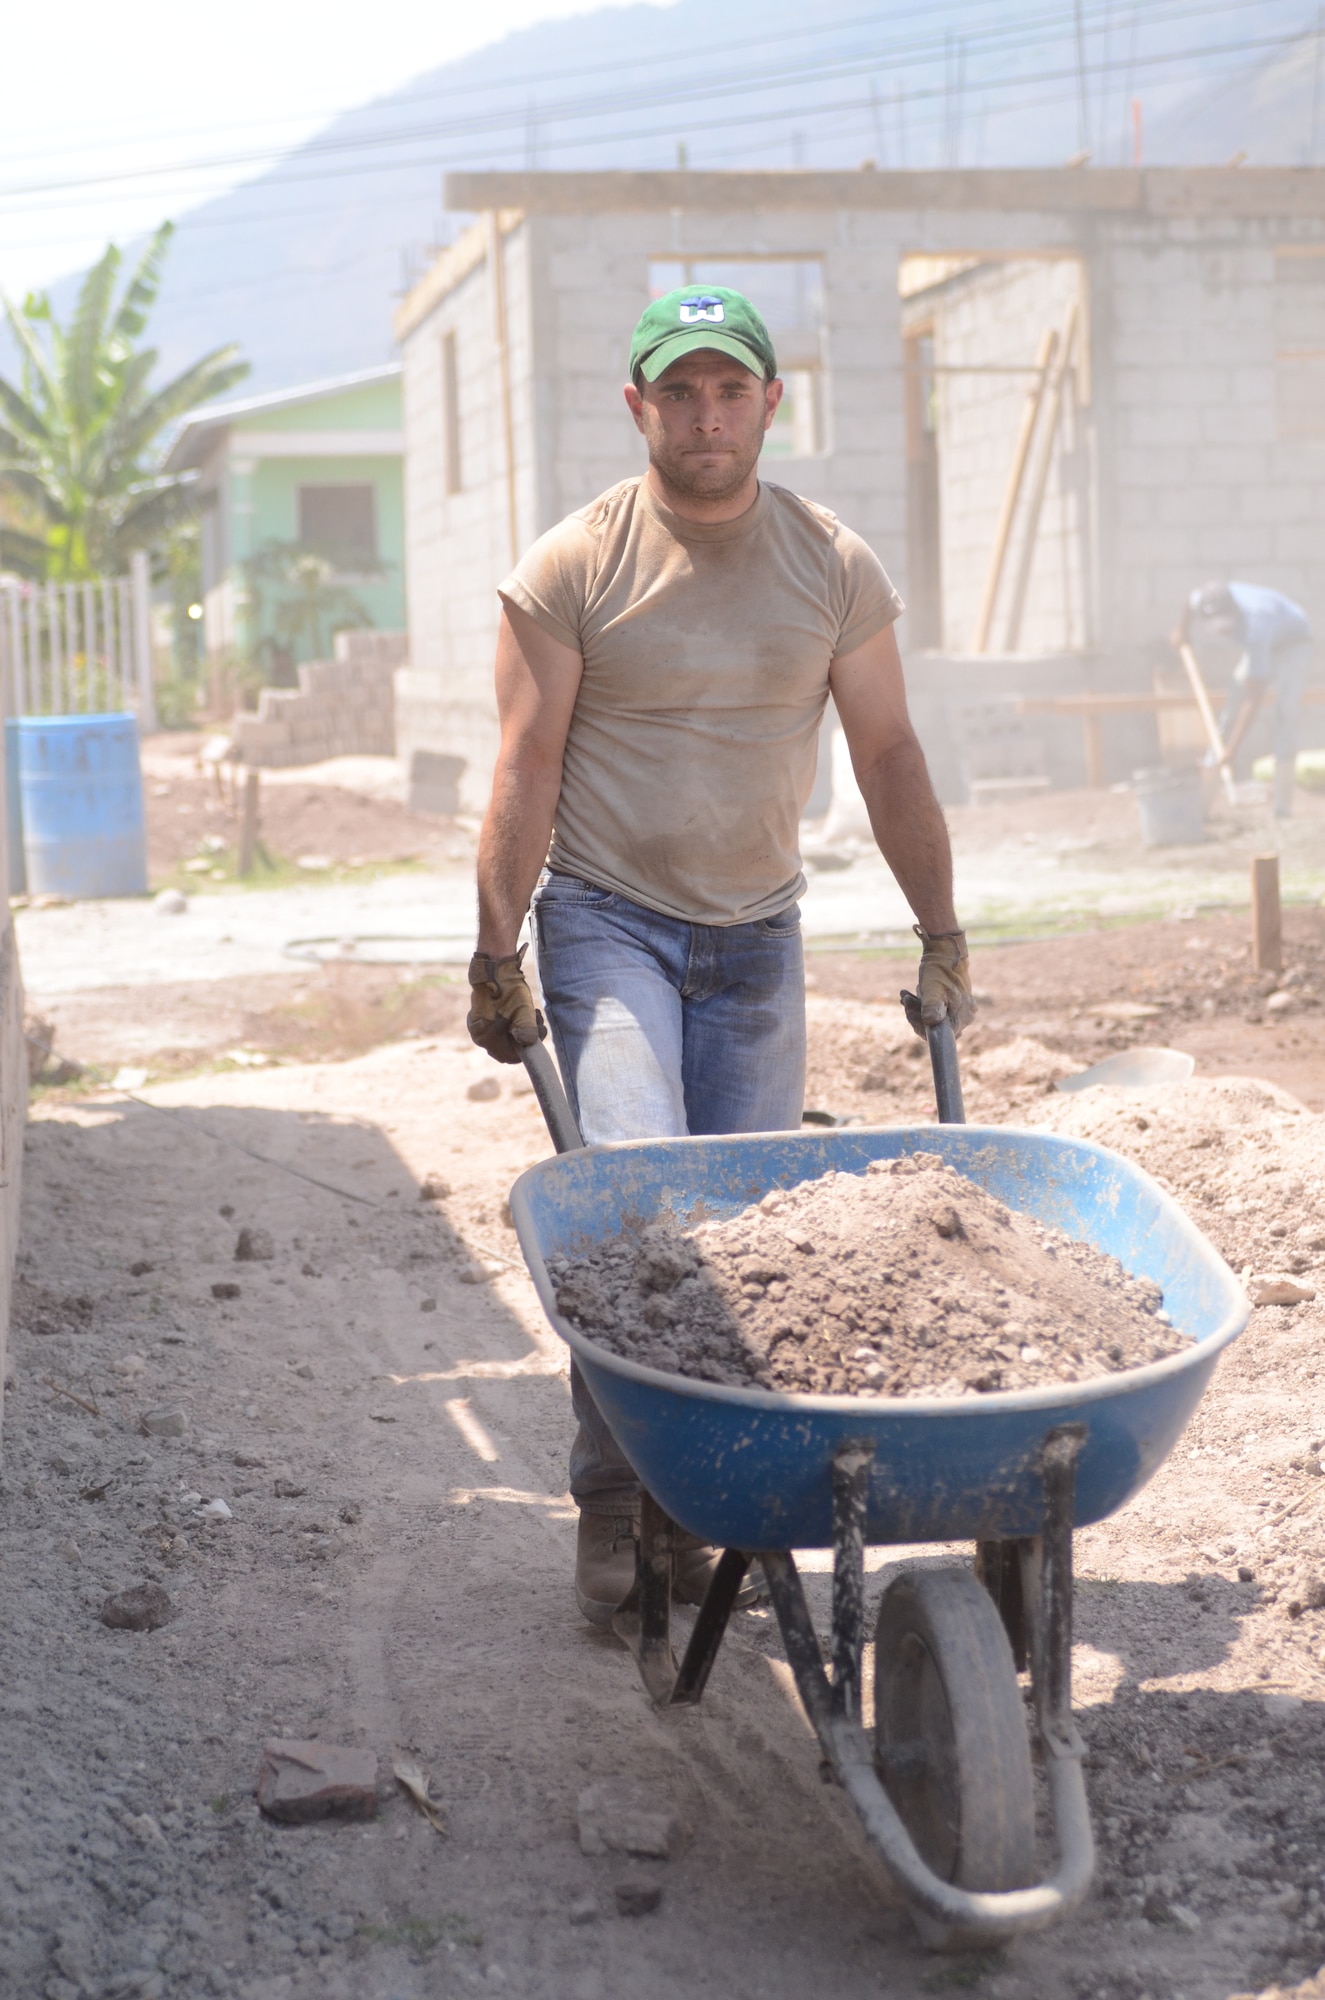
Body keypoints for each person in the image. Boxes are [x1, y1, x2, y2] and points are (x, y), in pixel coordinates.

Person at [466, 284, 973, 1625]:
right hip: (607, 918)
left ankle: (702, 1507)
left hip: (759, 936)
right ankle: (611, 1505)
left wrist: (942, 931)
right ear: (637, 406)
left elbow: (890, 753)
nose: (704, 417)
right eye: (677, 393)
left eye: (728, 390)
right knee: (641, 1210)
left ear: (769, 401)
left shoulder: (831, 563)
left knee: (749, 1241)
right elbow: (526, 764)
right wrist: (492, 949)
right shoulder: (571, 567)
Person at [1174, 581, 1315, 817]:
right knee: (1230, 710)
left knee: (1285, 713)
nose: (1223, 631)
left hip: (1293, 644)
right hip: (1264, 641)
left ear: (1235, 612)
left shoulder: (1257, 624)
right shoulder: (1203, 600)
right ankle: (1203, 805)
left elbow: (1255, 697)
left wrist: (1233, 749)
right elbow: (1189, 600)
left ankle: (1282, 809)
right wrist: (1182, 630)